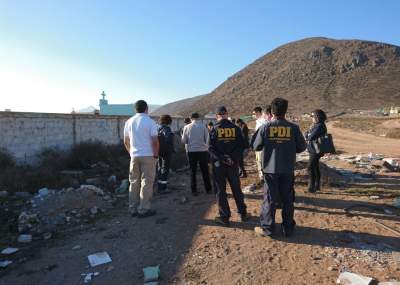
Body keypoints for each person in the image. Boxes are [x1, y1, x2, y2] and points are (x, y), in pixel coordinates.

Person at [252, 98, 306, 237]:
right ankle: (288, 228)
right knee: (288, 199)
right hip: (287, 169)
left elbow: (255, 146)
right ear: (285, 110)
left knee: (269, 199)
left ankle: (268, 228)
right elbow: (301, 147)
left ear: (272, 111)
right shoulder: (293, 128)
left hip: (270, 170)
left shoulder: (265, 127)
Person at [209, 106, 248, 226]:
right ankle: (242, 213)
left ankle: (224, 217)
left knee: (221, 191)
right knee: (236, 188)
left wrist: (223, 158)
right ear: (227, 114)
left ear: (217, 116)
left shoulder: (214, 129)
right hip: (233, 164)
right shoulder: (235, 128)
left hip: (219, 165)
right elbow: (243, 146)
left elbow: (210, 148)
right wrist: (232, 158)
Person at [123, 100, 159, 218]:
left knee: (133, 182)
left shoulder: (129, 122)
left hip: (134, 155)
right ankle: (143, 209)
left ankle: (132, 208)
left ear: (135, 109)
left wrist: (131, 153)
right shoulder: (150, 122)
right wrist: (156, 154)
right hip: (148, 155)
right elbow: (154, 141)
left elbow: (126, 141)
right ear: (146, 108)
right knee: (146, 182)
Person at [181, 113, 212, 195]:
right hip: (203, 151)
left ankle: (194, 190)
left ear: (191, 118)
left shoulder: (186, 127)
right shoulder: (203, 126)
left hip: (191, 151)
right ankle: (208, 189)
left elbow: (184, 141)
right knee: (205, 170)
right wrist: (205, 146)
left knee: (192, 171)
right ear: (198, 118)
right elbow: (207, 139)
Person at [305, 109, 327, 193]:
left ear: (317, 117)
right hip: (315, 149)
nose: (312, 118)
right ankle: (317, 186)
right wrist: (308, 134)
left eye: (312, 116)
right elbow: (309, 134)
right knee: (315, 167)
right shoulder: (317, 125)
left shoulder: (319, 126)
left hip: (316, 150)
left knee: (310, 167)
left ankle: (311, 187)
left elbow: (310, 136)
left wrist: (307, 134)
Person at [157, 114, 174, 194]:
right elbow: (168, 141)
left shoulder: (158, 128)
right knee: (165, 169)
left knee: (159, 168)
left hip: (158, 151)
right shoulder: (167, 129)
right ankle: (163, 188)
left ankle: (159, 185)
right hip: (166, 152)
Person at [252, 106, 266, 184]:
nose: (253, 115)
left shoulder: (262, 122)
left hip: (261, 146)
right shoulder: (260, 121)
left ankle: (262, 177)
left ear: (258, 112)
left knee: (260, 161)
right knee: (260, 161)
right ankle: (262, 176)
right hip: (261, 146)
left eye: (254, 113)